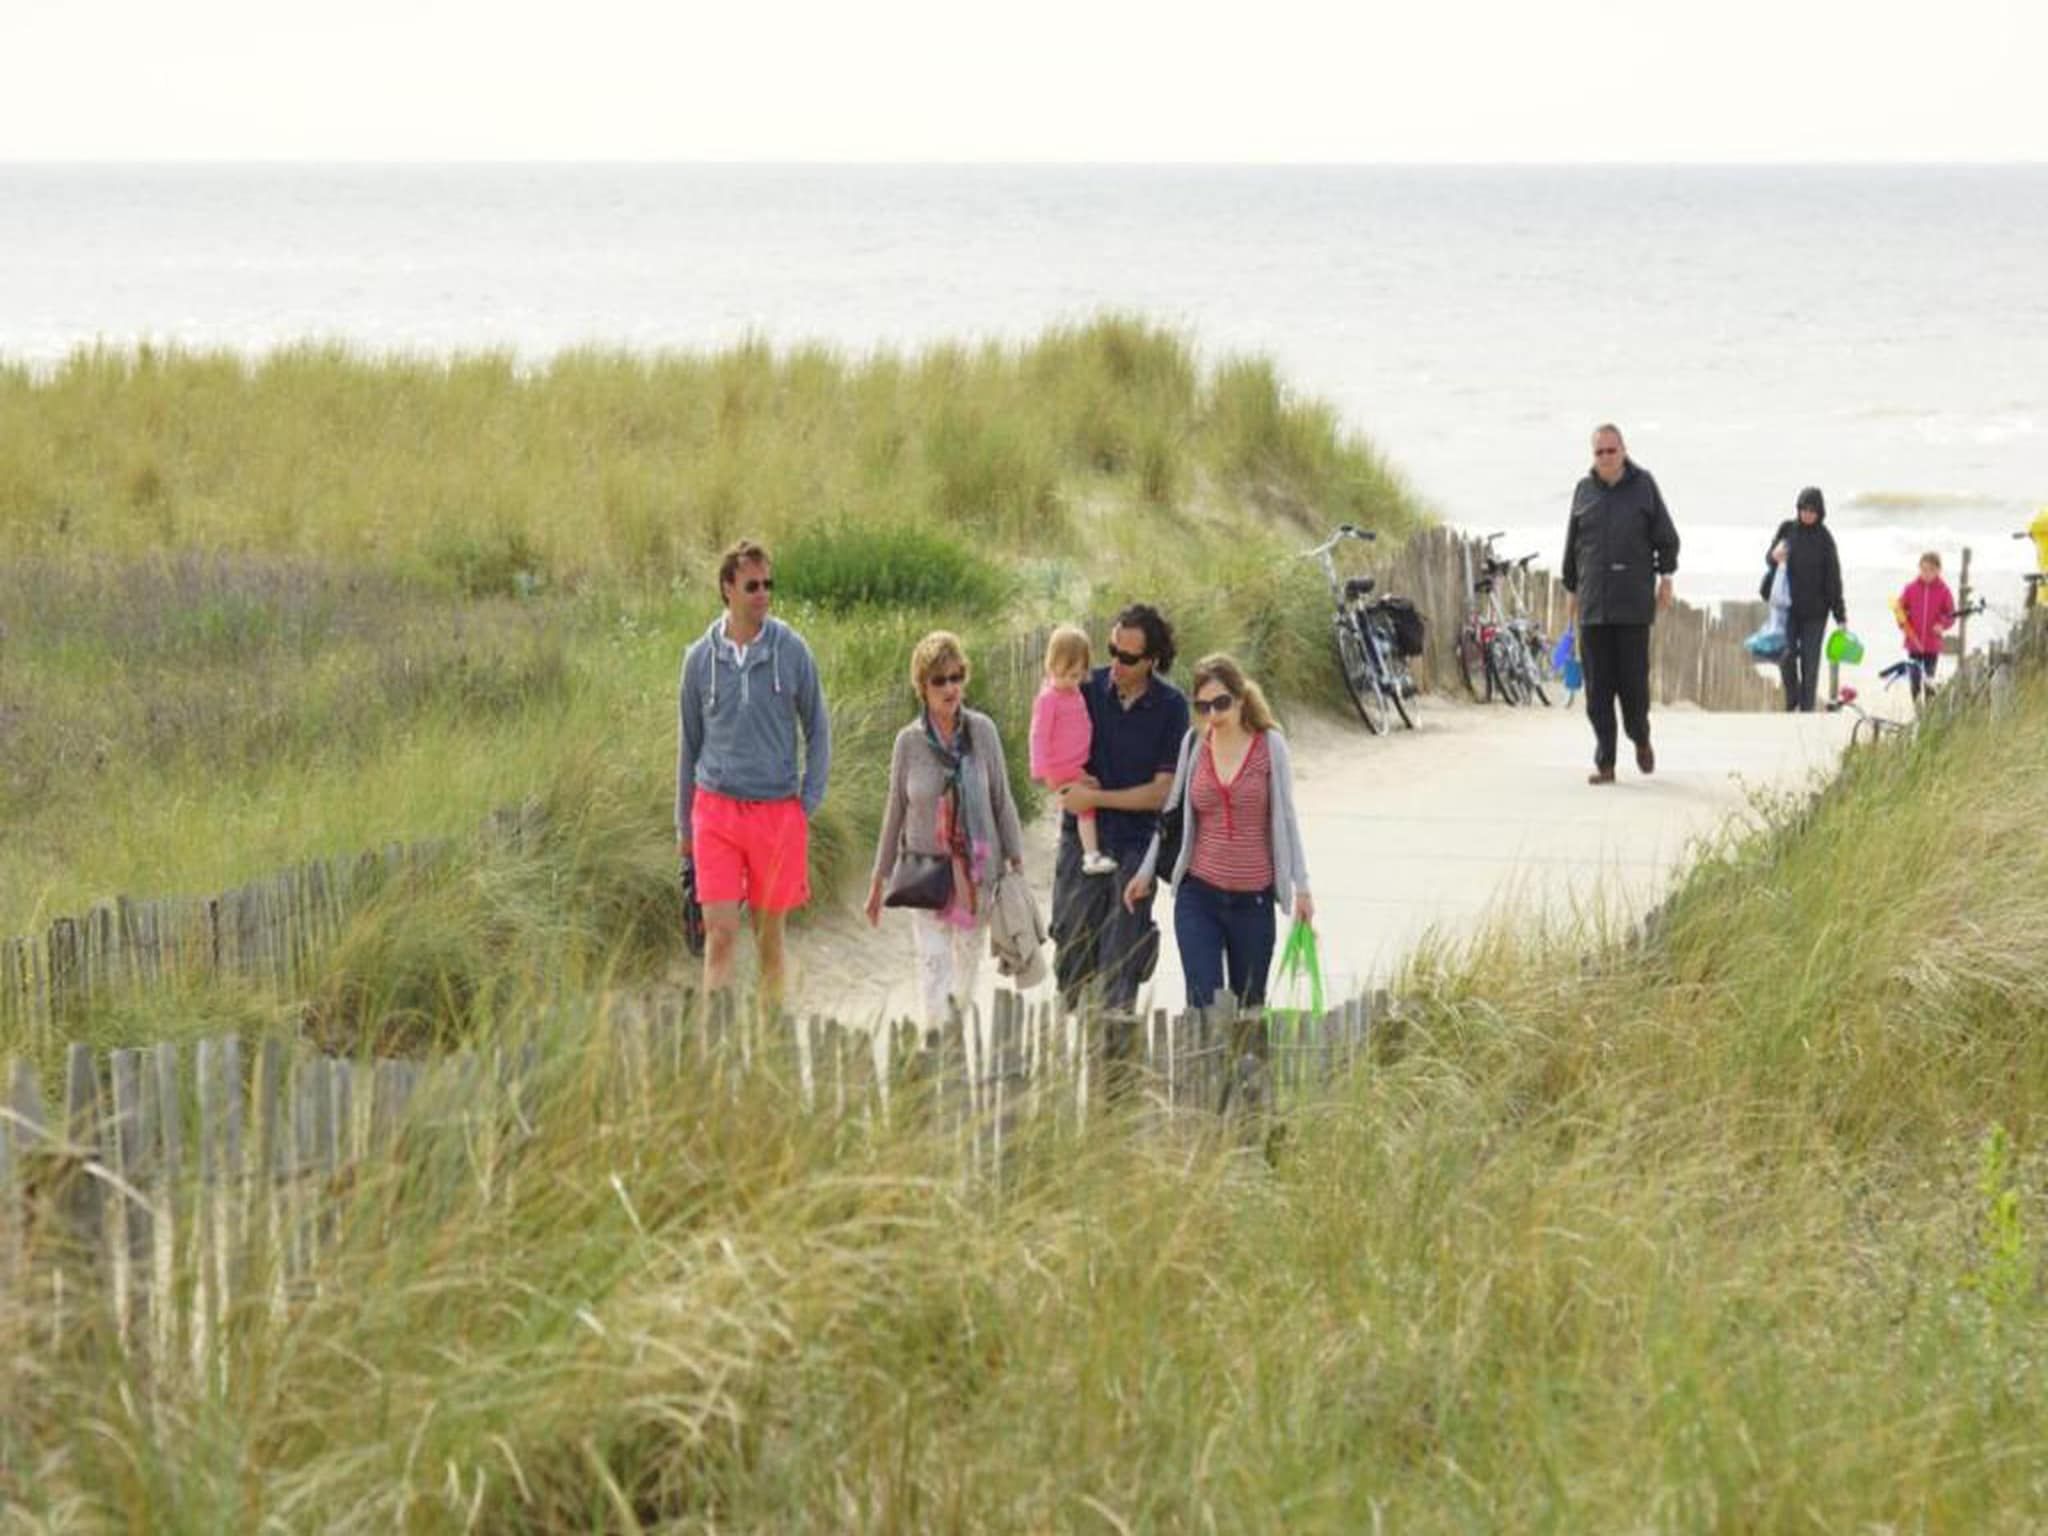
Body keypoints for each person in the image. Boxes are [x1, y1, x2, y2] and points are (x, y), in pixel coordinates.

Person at [675, 538, 831, 1014]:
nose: (763, 594)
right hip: (714, 812)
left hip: (776, 814)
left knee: (769, 941)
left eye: (768, 584)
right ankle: (718, 1042)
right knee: (720, 937)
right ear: (727, 588)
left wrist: (805, 803)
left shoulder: (792, 651)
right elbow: (689, 744)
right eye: (752, 586)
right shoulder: (699, 659)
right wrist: (684, 827)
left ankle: (771, 1039)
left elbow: (818, 727)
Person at [1123, 654, 1312, 1013]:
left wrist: (1301, 887)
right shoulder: (1195, 744)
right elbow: (1170, 815)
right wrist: (1146, 871)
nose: (1213, 714)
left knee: (1249, 1011)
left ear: (1240, 699)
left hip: (1253, 902)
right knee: (1204, 1007)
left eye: (1222, 703)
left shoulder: (1269, 745)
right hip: (1199, 896)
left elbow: (1287, 819)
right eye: (1203, 706)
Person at [865, 632, 1027, 1029]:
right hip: (927, 874)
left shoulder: (982, 732)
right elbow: (895, 810)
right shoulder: (908, 742)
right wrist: (878, 879)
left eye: (957, 677)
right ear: (922, 687)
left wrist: (1016, 861)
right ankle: (935, 1040)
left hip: (977, 873)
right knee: (934, 966)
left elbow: (1002, 799)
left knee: (965, 972)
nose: (950, 688)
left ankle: (952, 1038)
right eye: (939, 680)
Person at [1049, 603, 1189, 1015]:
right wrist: (1064, 785)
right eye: (1112, 650)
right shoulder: (1085, 688)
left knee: (1122, 957)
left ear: (1152, 660)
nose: (1115, 664)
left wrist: (1095, 798)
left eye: (1127, 658)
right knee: (1071, 949)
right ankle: (1073, 1041)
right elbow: (1048, 741)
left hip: (1136, 844)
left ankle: (1114, 1047)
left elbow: (1162, 793)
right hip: (1082, 838)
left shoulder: (1171, 706)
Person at [1560, 423, 1681, 784]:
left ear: (1624, 450)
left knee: (1633, 688)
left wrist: (1666, 578)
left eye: (1611, 450)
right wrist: (1571, 588)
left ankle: (1640, 737)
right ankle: (1606, 763)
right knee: (1597, 692)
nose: (1606, 457)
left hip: (1632, 605)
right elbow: (1573, 544)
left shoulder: (1644, 486)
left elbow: (1666, 537)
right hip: (1594, 605)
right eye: (1599, 452)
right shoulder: (1583, 490)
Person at [1029, 625, 1116, 876]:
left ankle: (1090, 853)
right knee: (1086, 803)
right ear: (1050, 665)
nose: (1068, 681)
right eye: (1062, 674)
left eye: (1075, 675)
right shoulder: (1049, 698)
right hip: (1060, 766)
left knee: (1088, 797)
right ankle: (1091, 855)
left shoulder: (1073, 691)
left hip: (1074, 764)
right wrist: (1040, 769)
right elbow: (1038, 734)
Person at [1762, 486, 1846, 712]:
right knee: (1785, 655)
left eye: (1812, 510)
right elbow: (1769, 559)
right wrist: (1773, 556)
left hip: (1816, 613)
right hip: (1787, 608)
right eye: (1804, 509)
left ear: (1820, 512)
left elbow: (1833, 578)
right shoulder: (1787, 530)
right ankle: (1793, 699)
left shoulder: (1825, 539)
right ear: (1798, 509)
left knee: (1810, 663)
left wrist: (1840, 614)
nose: (1808, 514)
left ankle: (1807, 709)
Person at [1891, 550, 1956, 702]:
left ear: (1938, 570)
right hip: (1913, 643)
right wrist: (1903, 624)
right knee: (1914, 681)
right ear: (1919, 568)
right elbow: (1899, 609)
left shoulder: (1944, 591)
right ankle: (1918, 710)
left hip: (1932, 645)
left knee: (1929, 681)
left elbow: (1951, 614)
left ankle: (1930, 711)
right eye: (1923, 569)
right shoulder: (1910, 588)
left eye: (1931, 570)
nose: (1926, 573)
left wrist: (1942, 624)